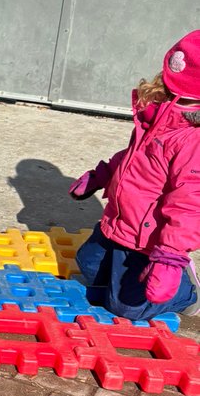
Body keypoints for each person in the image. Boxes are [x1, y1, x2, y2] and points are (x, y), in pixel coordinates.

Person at [70, 30, 200, 319]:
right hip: (120, 221)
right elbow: (133, 158)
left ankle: (187, 291)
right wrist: (101, 175)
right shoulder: (159, 114)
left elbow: (190, 205)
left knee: (126, 306)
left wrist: (170, 257)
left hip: (148, 240)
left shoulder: (193, 140)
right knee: (89, 265)